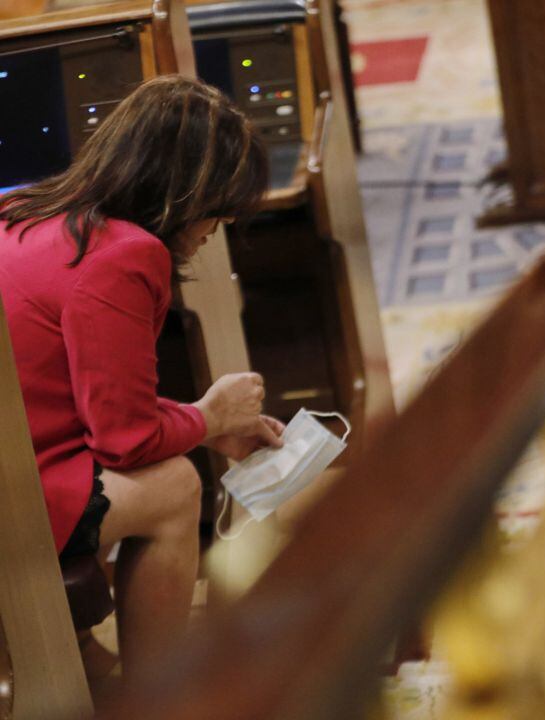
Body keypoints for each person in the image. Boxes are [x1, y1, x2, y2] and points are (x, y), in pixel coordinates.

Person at [0, 75, 286, 676]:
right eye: (219, 210)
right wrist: (210, 416)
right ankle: (158, 698)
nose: (216, 229)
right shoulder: (123, 255)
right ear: (184, 197)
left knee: (148, 470)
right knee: (173, 487)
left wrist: (205, 426)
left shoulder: (22, 208)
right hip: (12, 498)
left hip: (19, 459)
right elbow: (123, 439)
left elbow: (91, 402)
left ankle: (82, 662)